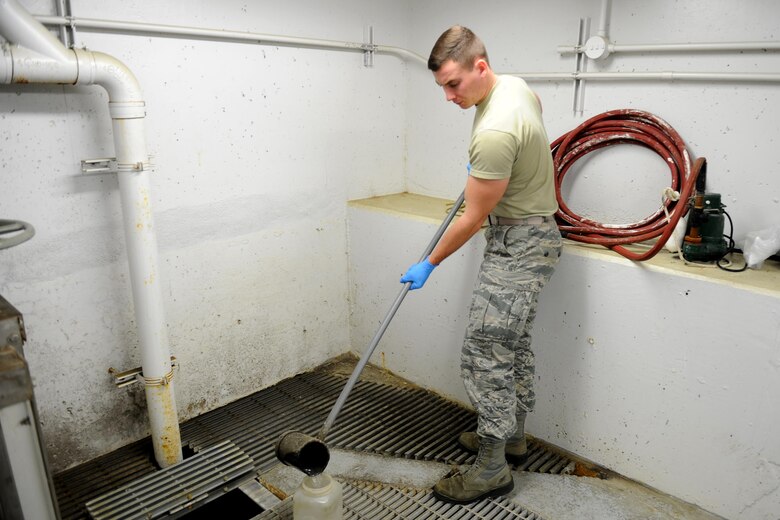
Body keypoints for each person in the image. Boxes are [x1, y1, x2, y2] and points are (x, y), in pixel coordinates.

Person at [400, 25, 562, 504]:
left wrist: (428, 262)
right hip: (536, 236)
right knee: (511, 346)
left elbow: (472, 218)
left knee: (485, 353)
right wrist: (500, 170)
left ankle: (491, 467)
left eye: (454, 84)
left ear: (480, 67)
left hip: (520, 244)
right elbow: (534, 106)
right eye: (442, 87)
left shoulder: (493, 132)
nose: (449, 97)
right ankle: (511, 439)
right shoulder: (514, 87)